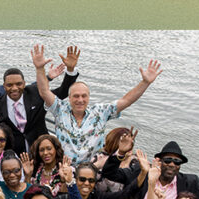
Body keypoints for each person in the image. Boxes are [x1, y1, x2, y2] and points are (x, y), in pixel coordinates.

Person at [32, 44, 163, 164]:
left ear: (89, 98)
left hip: (91, 171)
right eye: (76, 96)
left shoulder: (100, 112)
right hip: (64, 169)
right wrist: (39, 68)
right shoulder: (60, 109)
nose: (80, 100)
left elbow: (126, 100)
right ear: (69, 98)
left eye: (84, 96)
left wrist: (145, 83)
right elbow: (44, 91)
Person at [0, 46, 80, 153]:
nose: (14, 88)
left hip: (41, 153)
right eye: (9, 85)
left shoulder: (36, 92)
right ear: (4, 86)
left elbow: (63, 92)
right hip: (13, 157)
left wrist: (70, 70)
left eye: (18, 84)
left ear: (24, 83)